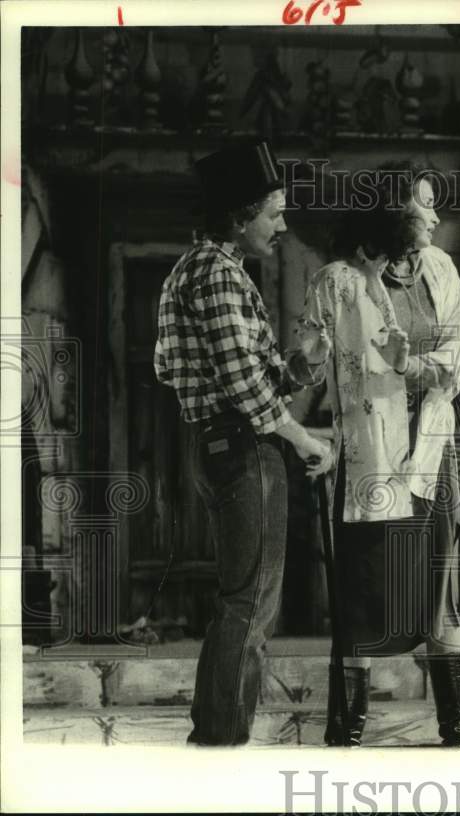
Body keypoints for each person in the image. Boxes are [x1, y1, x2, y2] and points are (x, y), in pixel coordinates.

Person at [154, 140, 335, 746]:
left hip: (224, 445)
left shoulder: (202, 270)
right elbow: (245, 392)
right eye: (274, 212)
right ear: (239, 214)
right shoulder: (215, 275)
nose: (282, 225)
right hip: (243, 451)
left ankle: (214, 736)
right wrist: (306, 439)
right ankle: (221, 745)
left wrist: (299, 367)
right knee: (250, 606)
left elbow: (229, 375)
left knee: (244, 602)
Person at [292, 162, 460, 747]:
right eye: (425, 204)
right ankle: (347, 736)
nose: (436, 216)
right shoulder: (337, 282)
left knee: (440, 596)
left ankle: (459, 735)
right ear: (394, 211)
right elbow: (305, 366)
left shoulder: (441, 270)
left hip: (430, 457)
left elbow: (457, 361)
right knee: (363, 601)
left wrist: (409, 364)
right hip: (370, 459)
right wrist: (305, 359)